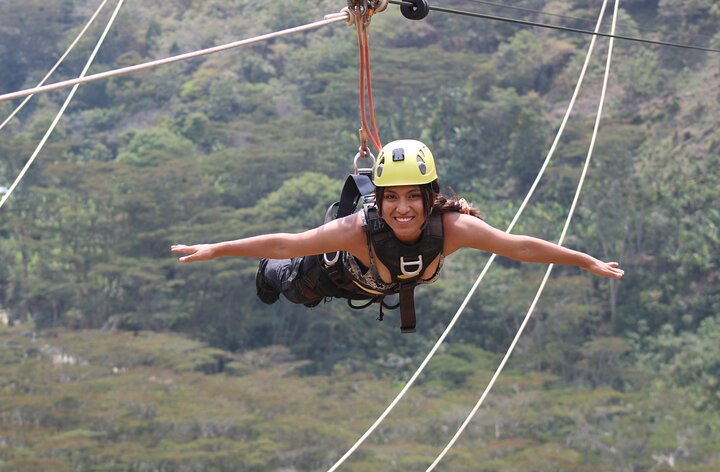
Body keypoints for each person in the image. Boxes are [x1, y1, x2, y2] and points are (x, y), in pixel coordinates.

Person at [171, 139, 624, 331]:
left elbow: (518, 246)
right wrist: (218, 249)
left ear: (430, 198)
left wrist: (584, 260)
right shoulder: (356, 231)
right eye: (391, 198)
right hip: (326, 274)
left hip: (379, 285)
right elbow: (289, 242)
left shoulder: (452, 229)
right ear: (379, 200)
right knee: (291, 286)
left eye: (412, 197)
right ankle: (267, 276)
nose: (401, 208)